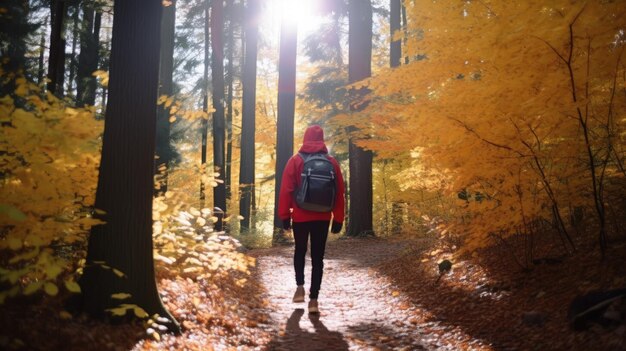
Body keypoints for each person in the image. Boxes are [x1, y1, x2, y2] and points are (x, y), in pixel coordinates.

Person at [278, 125, 345, 314]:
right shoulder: (332, 163)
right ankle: (314, 300)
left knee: (300, 250)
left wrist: (284, 215)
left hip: (300, 215)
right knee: (318, 258)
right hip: (322, 217)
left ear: (305, 138)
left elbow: (286, 191)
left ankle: (299, 288)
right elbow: (340, 193)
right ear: (322, 139)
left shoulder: (295, 161)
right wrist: (338, 218)